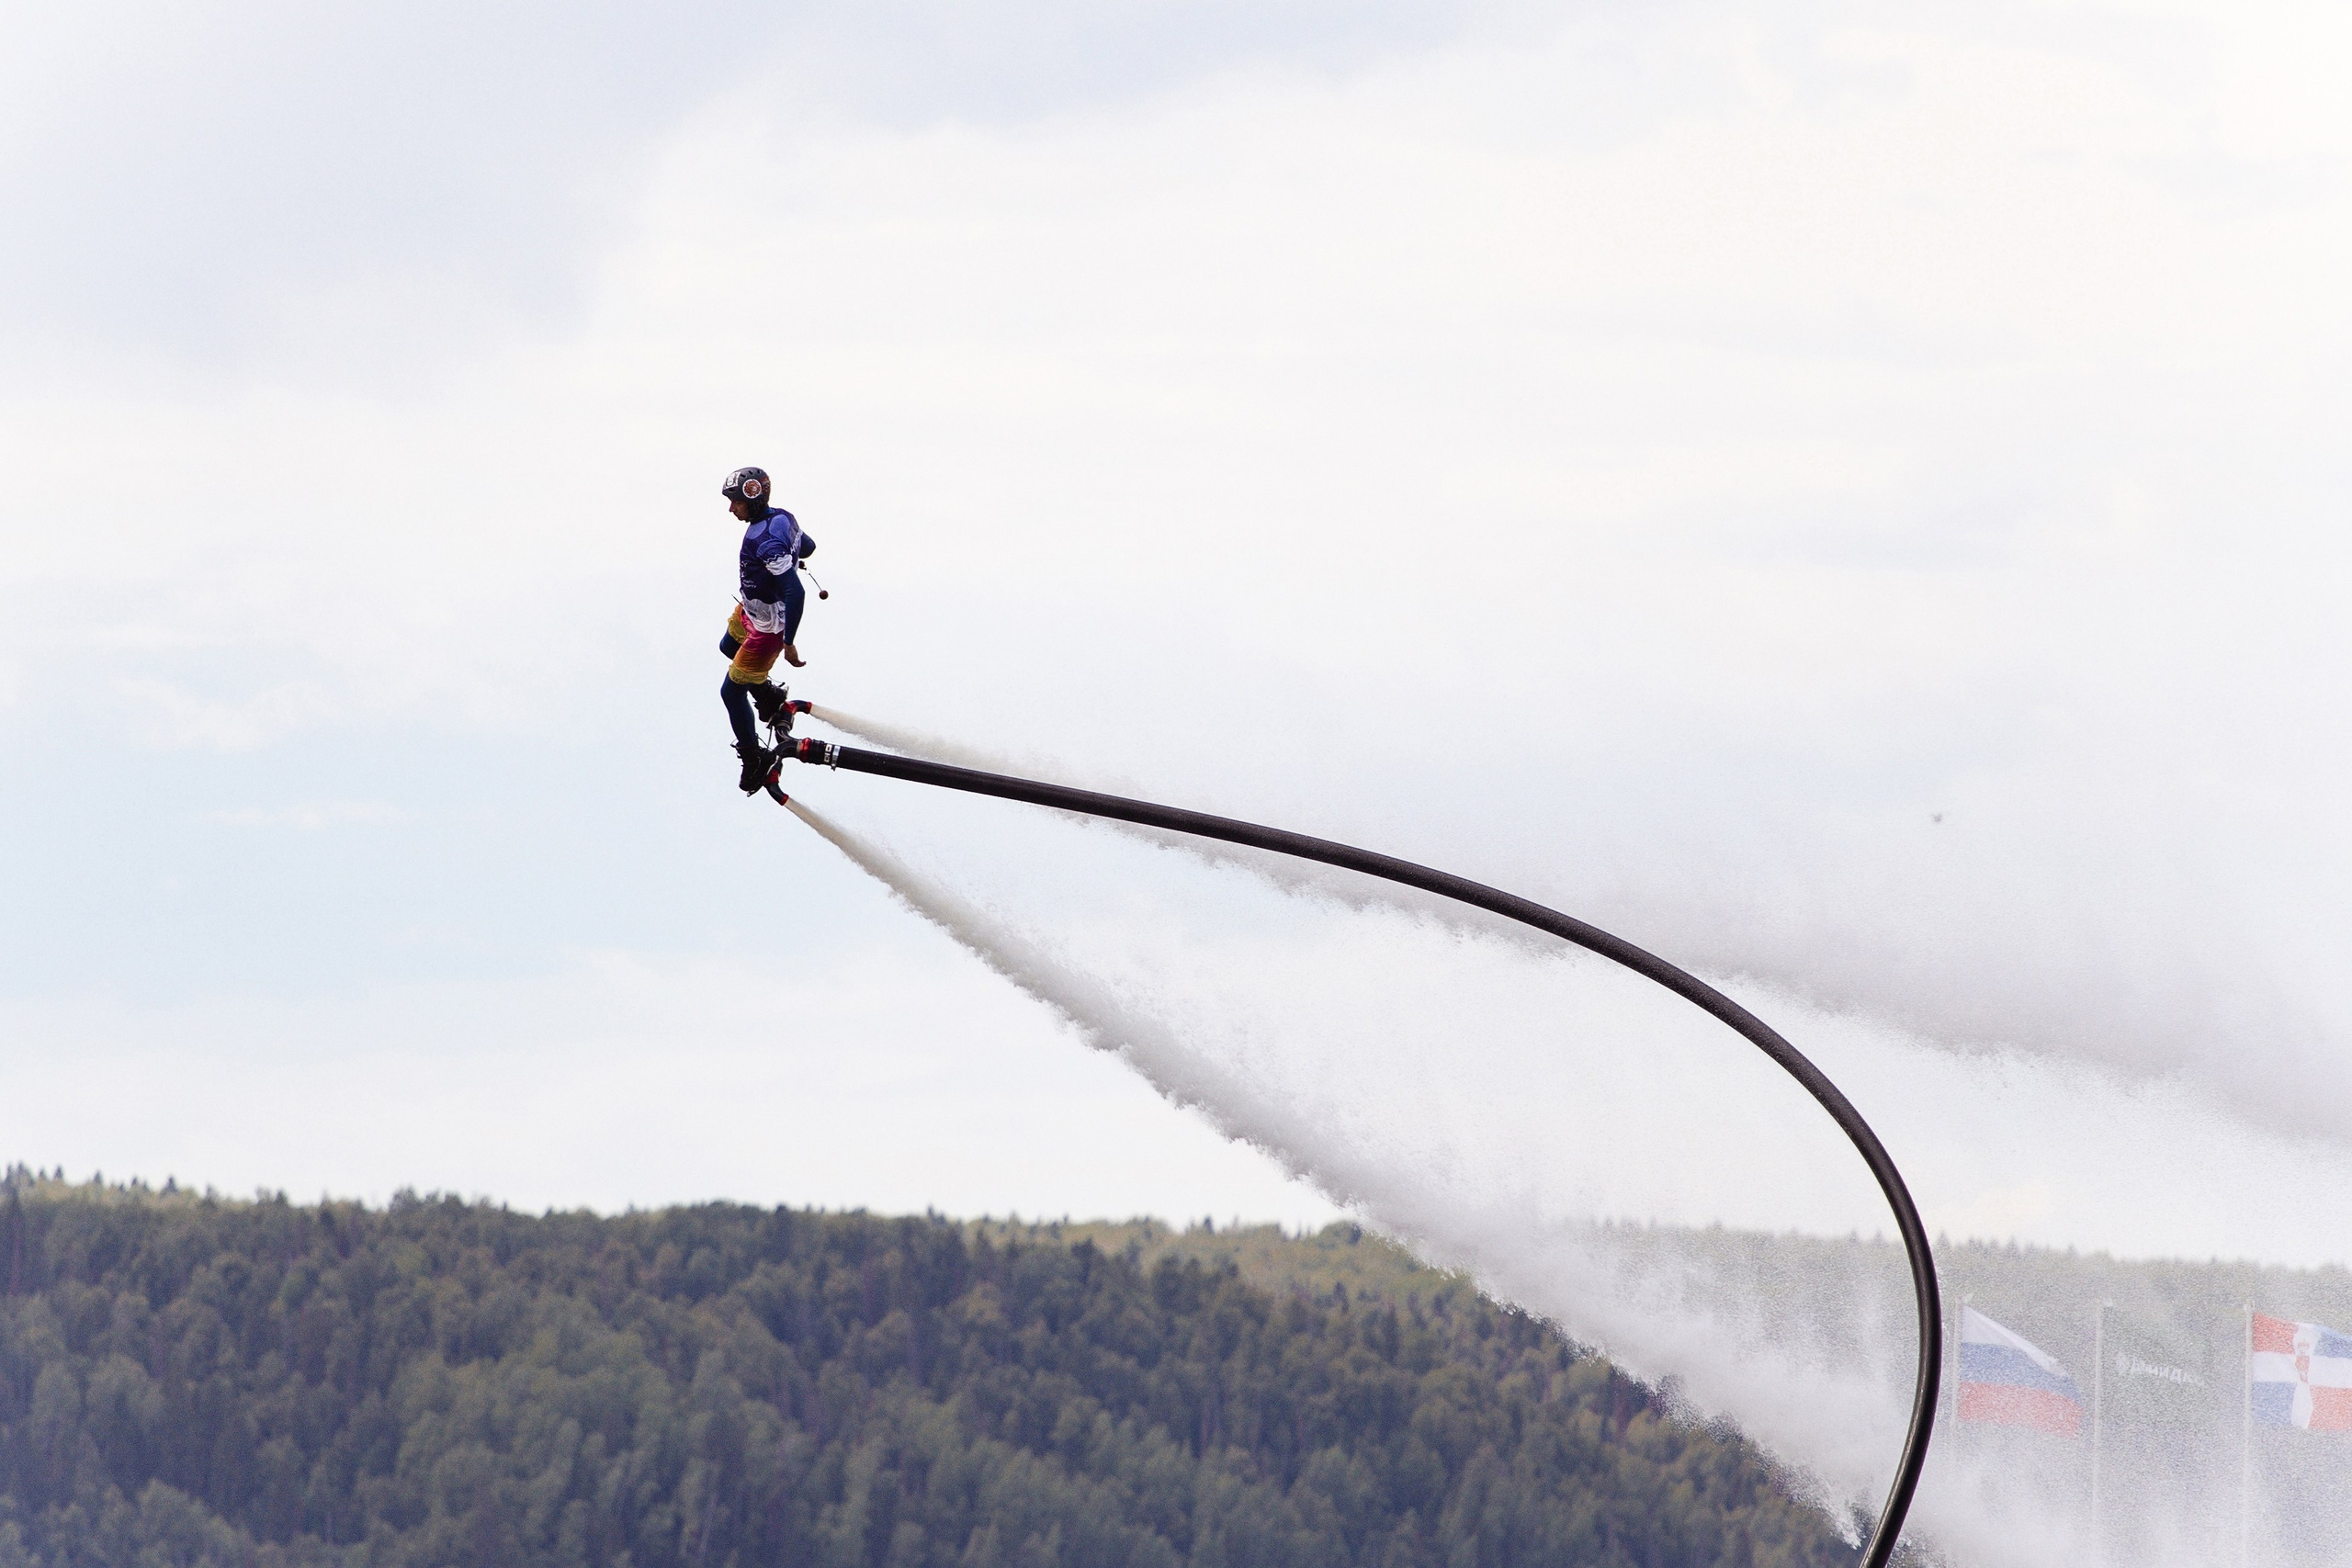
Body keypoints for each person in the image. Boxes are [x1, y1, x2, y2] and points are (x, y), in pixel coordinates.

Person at [717, 466, 817, 792]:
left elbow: (796, 592)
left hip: (769, 627)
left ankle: (754, 757)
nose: (731, 509)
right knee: (728, 647)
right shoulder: (783, 518)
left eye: (735, 502)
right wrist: (792, 555)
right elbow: (808, 546)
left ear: (753, 499)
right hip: (751, 609)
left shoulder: (766, 541)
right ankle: (770, 697)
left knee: (730, 692)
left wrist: (789, 643)